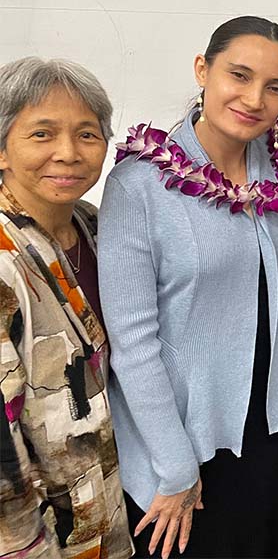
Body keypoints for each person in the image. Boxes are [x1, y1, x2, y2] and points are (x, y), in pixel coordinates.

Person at [97, 16, 278, 559]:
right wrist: (174, 467)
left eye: (275, 87)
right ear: (203, 69)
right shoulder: (139, 186)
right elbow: (133, 344)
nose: (253, 98)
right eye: (238, 76)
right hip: (186, 441)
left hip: (263, 428)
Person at [0, 58, 133, 559]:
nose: (68, 153)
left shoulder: (95, 227)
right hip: (33, 537)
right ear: (2, 150)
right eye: (41, 134)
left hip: (101, 512)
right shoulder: (4, 262)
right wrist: (24, 546)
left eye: (87, 134)